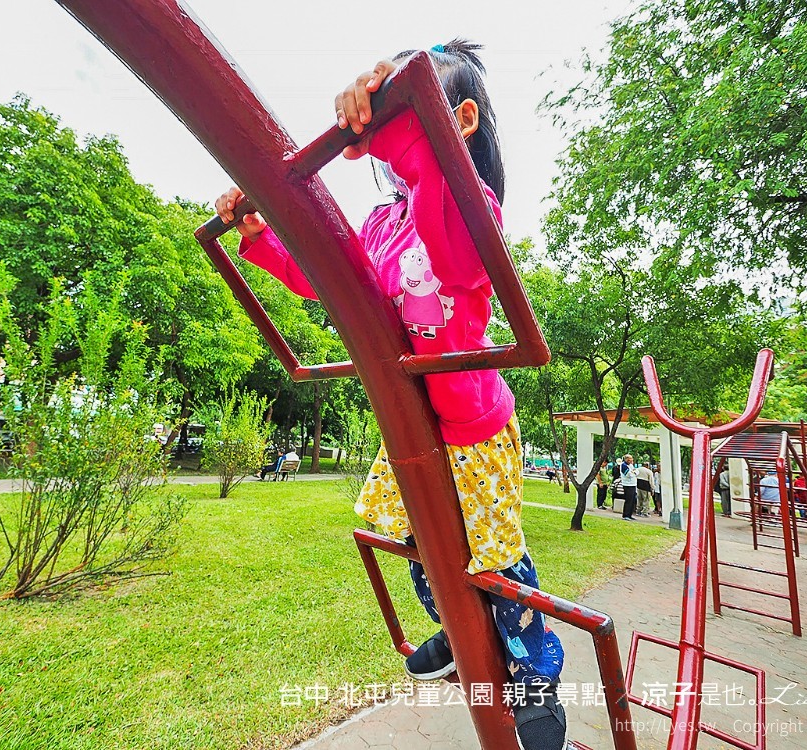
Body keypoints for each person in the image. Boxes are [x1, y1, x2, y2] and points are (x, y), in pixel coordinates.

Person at [214, 40, 565, 747]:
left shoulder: (472, 202)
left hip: (470, 423)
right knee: (419, 547)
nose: (382, 126)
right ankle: (458, 630)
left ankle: (535, 677)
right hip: (409, 417)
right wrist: (262, 235)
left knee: (494, 557)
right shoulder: (381, 221)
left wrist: (405, 136)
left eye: (404, 105)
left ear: (460, 119)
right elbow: (334, 281)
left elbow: (456, 261)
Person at [620, 455, 638, 520]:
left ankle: (630, 514)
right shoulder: (623, 465)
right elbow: (629, 474)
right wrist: (634, 473)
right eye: (630, 459)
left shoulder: (631, 465)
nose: (631, 460)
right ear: (626, 459)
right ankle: (626, 515)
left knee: (633, 500)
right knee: (628, 500)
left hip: (633, 484)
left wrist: (634, 472)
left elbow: (637, 471)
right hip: (627, 485)